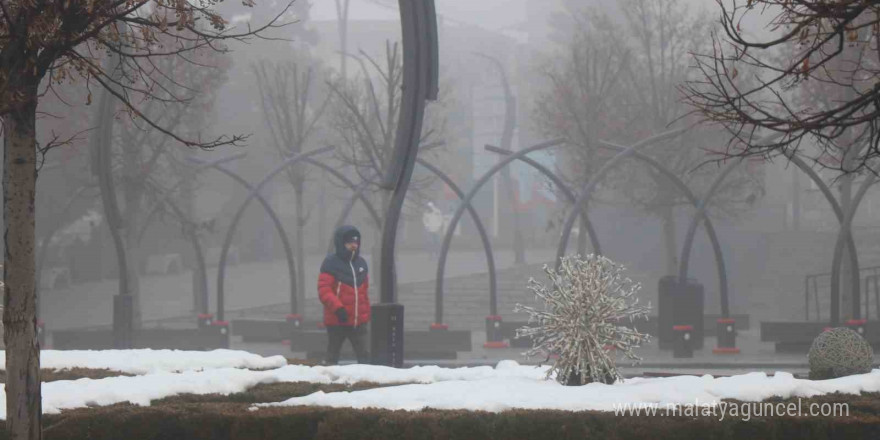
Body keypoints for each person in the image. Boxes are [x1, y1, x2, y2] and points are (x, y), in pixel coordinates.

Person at [318, 225, 370, 364]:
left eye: (355, 242)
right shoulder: (331, 263)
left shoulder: (362, 263)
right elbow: (324, 290)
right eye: (349, 242)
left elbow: (364, 292)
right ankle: (327, 382)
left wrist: (366, 315)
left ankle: (365, 382)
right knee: (332, 355)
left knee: (364, 356)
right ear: (341, 243)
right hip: (337, 320)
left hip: (358, 322)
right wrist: (338, 308)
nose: (353, 245)